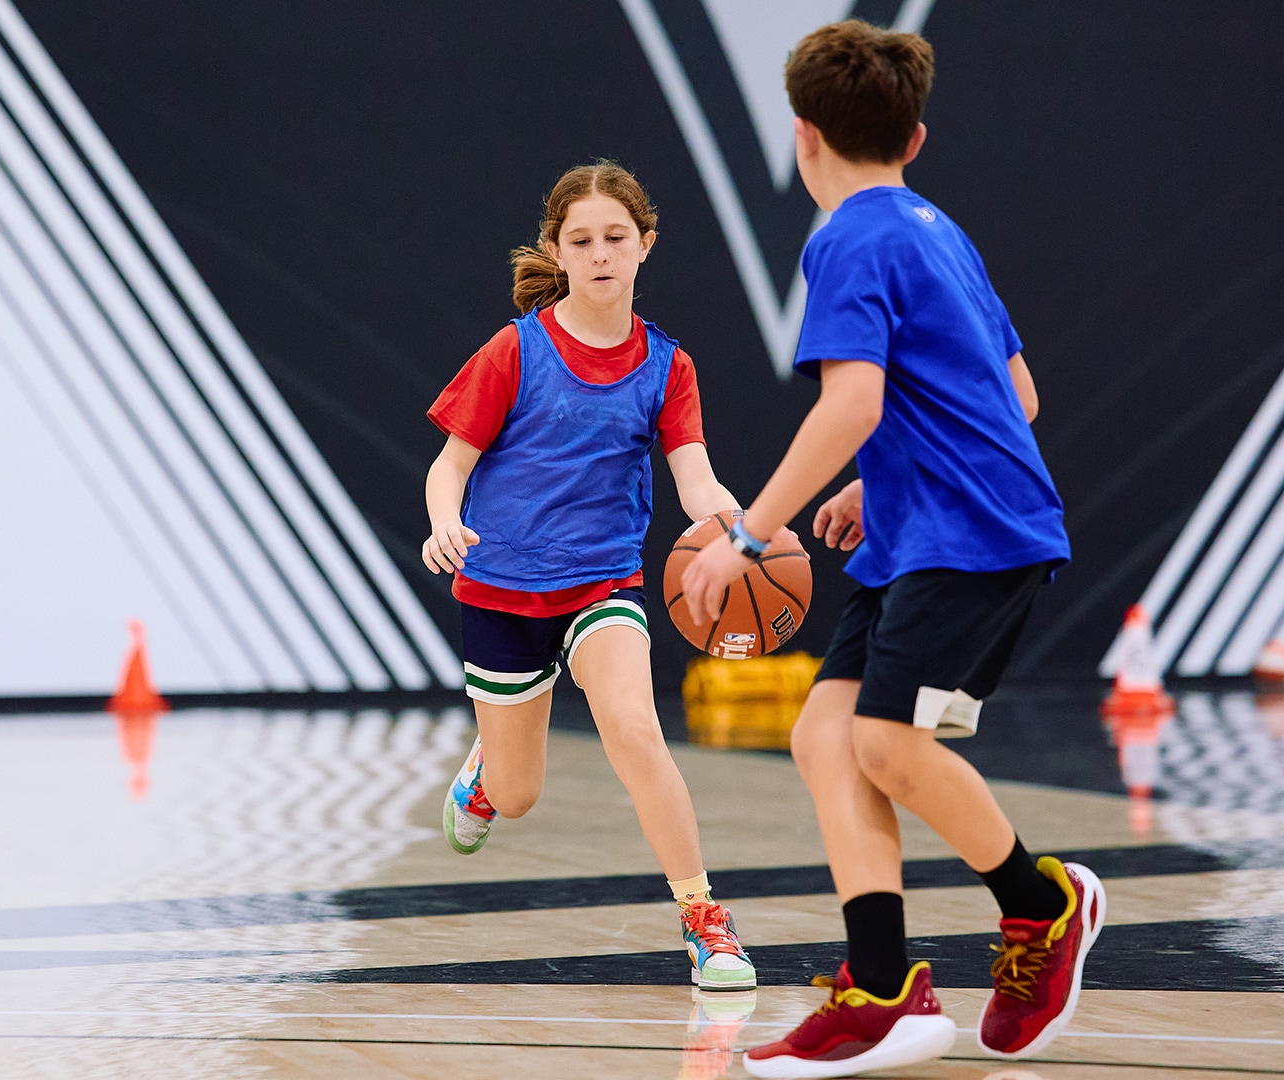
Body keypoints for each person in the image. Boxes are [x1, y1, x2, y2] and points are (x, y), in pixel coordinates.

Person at [679, 21, 1100, 1077]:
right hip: (926, 528)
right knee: (826, 737)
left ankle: (1044, 907)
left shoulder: (847, 240)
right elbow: (1015, 392)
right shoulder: (935, 228)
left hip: (972, 535)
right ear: (914, 139)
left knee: (885, 745)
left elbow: (853, 402)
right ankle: (881, 990)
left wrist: (747, 534)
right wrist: (884, 479)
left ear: (801, 135)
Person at [423, 161, 759, 991]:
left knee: (635, 730)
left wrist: (738, 523)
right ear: (556, 251)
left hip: (604, 583)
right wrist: (444, 521)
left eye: (616, 237)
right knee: (519, 794)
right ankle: (487, 776)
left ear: (646, 245)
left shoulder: (668, 367)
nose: (600, 253)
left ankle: (705, 923)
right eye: (582, 240)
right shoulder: (515, 349)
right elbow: (449, 465)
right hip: (501, 589)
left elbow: (695, 479)